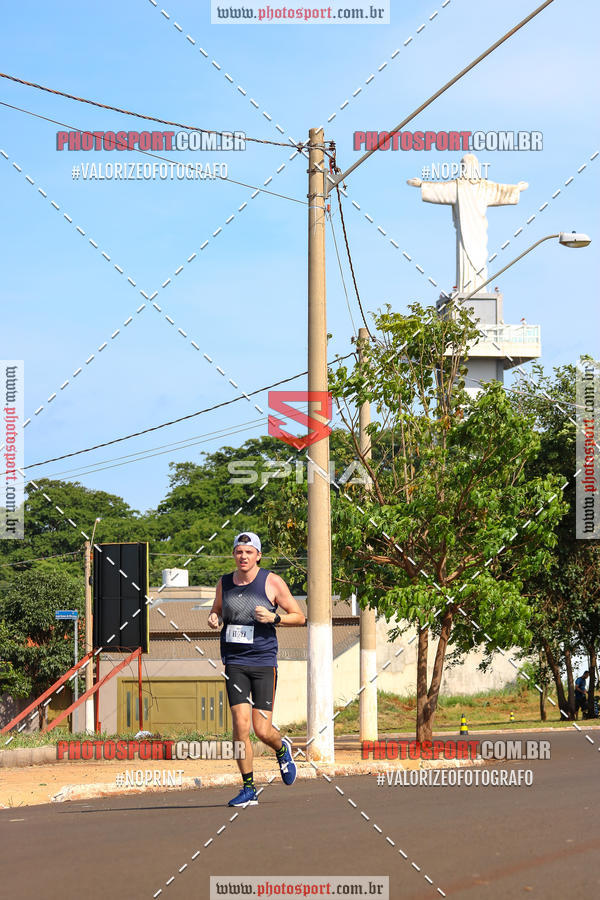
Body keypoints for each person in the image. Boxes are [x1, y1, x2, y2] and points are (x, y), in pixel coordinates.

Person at [208, 531, 306, 806]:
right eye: (239, 551)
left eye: (249, 552)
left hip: (263, 663)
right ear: (234, 555)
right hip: (234, 663)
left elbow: (299, 617)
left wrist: (275, 618)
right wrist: (214, 618)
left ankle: (280, 747)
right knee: (240, 727)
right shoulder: (224, 583)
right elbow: (217, 609)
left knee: (261, 729)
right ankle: (249, 788)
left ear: (258, 555)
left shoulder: (272, 581)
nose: (243, 556)